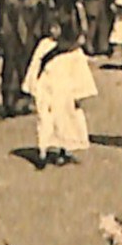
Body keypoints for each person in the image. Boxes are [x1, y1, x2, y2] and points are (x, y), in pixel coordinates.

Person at [23, 18, 97, 168]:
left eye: (56, 27)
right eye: (51, 27)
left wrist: (79, 94)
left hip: (65, 92)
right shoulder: (44, 45)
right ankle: (42, 151)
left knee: (65, 122)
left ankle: (63, 149)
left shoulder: (74, 50)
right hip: (46, 88)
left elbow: (80, 73)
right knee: (45, 119)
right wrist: (32, 87)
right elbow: (35, 65)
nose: (53, 31)